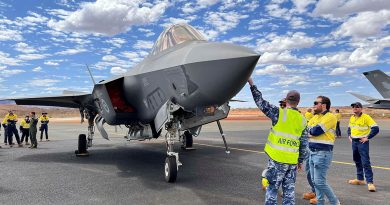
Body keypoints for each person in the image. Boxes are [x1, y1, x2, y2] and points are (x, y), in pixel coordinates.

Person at [248, 78, 308, 205]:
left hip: (276, 161)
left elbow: (260, 102)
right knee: (289, 193)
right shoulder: (303, 120)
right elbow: (304, 145)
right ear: (298, 102)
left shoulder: (279, 113)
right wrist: (300, 161)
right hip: (292, 162)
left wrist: (252, 84)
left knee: (272, 190)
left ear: (286, 100)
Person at [307, 96, 340, 205]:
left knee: (319, 182)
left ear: (324, 105)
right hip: (311, 152)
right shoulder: (315, 117)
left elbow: (316, 131)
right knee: (314, 181)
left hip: (322, 153)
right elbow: (305, 129)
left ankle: (335, 202)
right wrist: (309, 132)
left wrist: (310, 132)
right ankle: (320, 202)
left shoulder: (330, 117)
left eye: (316, 103)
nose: (314, 105)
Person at [348, 102, 379, 192]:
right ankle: (360, 179)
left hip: (362, 142)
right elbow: (350, 128)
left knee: (365, 161)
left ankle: (370, 182)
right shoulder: (352, 117)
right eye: (353, 107)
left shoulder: (366, 117)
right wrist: (350, 135)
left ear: (361, 108)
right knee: (357, 160)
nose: (355, 108)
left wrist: (367, 137)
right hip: (354, 142)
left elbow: (376, 128)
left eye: (357, 107)